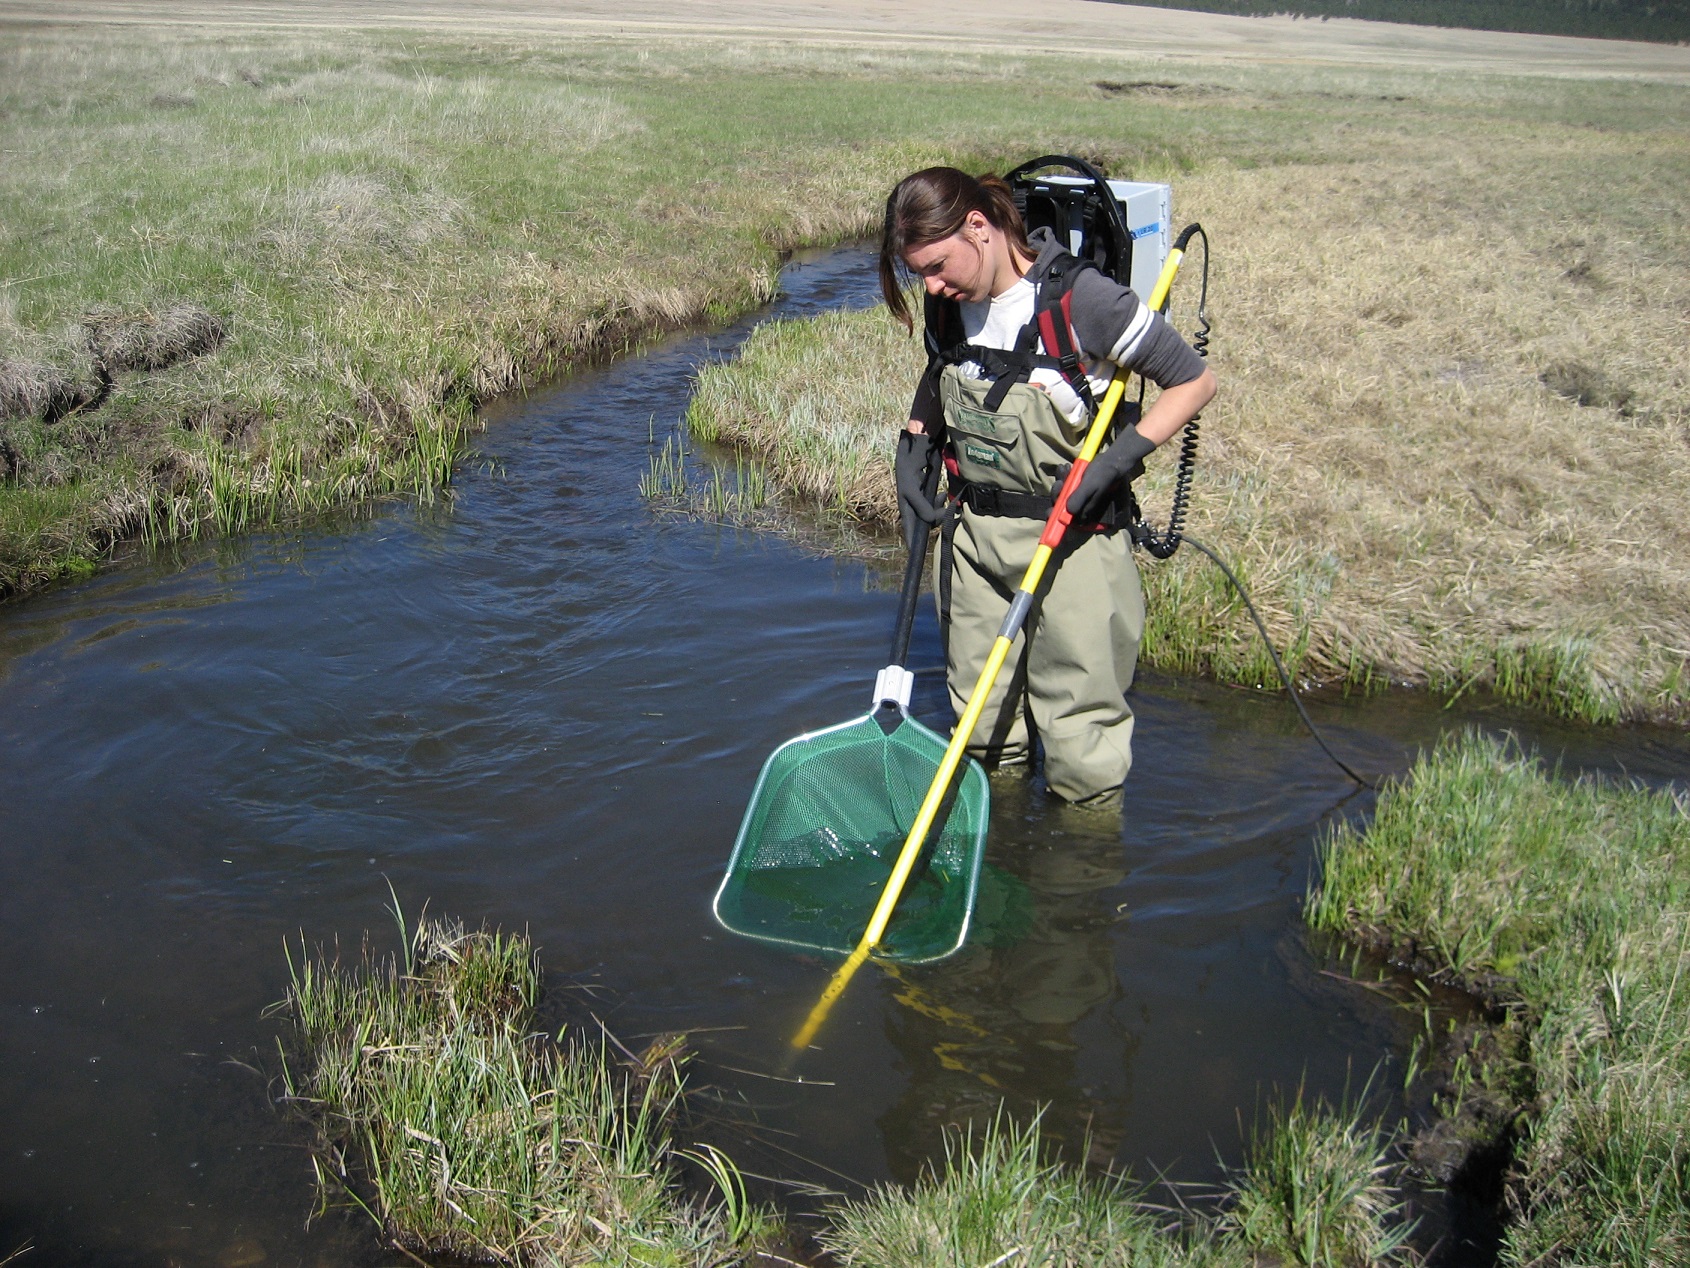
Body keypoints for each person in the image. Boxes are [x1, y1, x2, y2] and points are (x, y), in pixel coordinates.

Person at [879, 166, 1216, 806]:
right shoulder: (950, 302)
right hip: (975, 540)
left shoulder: (1083, 301)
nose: (931, 285)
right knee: (980, 730)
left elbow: (1193, 382)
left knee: (1080, 740)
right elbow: (942, 366)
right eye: (919, 273)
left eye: (938, 266)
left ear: (979, 227)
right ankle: (1000, 842)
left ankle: (1078, 879)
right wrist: (916, 439)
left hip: (1074, 542)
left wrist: (1117, 462)